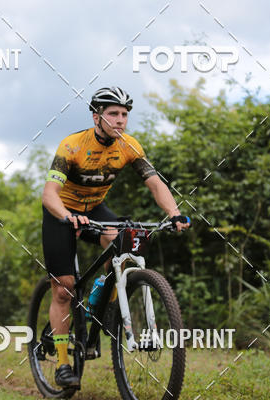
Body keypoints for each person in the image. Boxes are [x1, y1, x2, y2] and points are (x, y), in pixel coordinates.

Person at [41, 86, 190, 387]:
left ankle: (101, 306)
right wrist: (67, 216)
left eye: (124, 114)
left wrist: (174, 213)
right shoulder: (72, 146)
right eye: (113, 114)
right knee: (64, 289)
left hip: (95, 209)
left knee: (120, 242)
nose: (120, 120)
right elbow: (49, 194)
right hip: (62, 212)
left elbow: (155, 183)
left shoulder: (129, 146)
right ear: (96, 117)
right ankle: (63, 364)